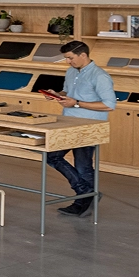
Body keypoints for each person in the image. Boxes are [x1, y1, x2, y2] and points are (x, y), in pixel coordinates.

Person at [46, 40, 116, 217]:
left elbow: (109, 105)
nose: (68, 61)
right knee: (52, 156)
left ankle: (83, 200)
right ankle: (86, 193)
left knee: (83, 166)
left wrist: (76, 103)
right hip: (68, 123)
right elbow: (67, 93)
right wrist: (56, 95)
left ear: (83, 55)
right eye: (66, 58)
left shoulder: (100, 76)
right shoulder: (71, 72)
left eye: (70, 58)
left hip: (89, 127)